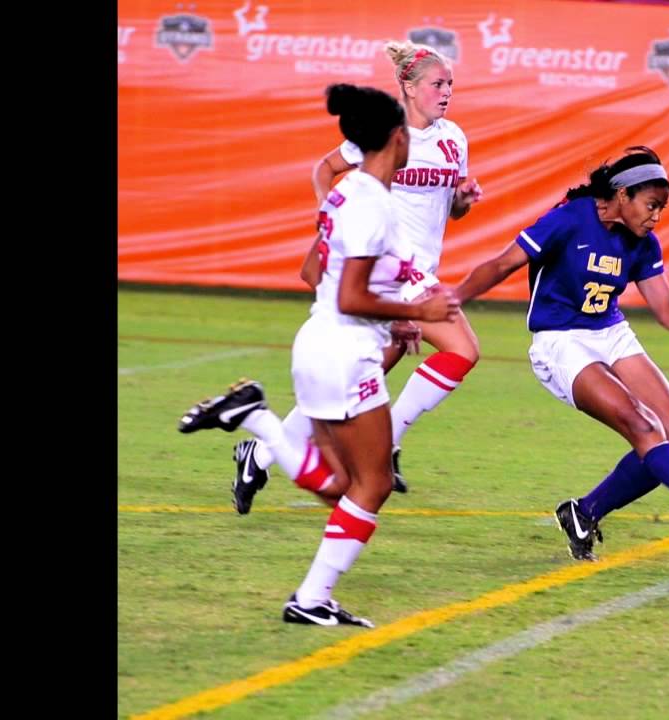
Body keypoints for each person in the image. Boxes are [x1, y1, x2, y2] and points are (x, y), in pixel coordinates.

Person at [179, 83, 461, 625]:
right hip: (345, 351)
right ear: (396, 139)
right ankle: (308, 598)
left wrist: (395, 317)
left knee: (341, 487)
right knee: (371, 483)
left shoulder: (347, 192)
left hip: (324, 344)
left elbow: (321, 276)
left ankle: (257, 421)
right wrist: (418, 314)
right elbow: (351, 294)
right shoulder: (373, 205)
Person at [452, 147, 669, 561]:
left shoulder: (643, 243)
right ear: (622, 194)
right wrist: (453, 297)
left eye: (662, 207)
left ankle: (584, 512)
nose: (656, 215)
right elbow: (502, 264)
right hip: (560, 340)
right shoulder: (570, 219)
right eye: (651, 205)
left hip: (610, 331)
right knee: (642, 426)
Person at [232, 39, 484, 509]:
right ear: (408, 87)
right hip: (392, 276)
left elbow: (450, 210)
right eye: (437, 83)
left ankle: (261, 453)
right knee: (463, 350)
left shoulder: (454, 138)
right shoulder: (385, 132)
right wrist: (332, 216)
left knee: (347, 389)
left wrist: (463, 201)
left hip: (419, 270)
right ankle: (386, 443)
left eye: (450, 84)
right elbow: (324, 171)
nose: (446, 91)